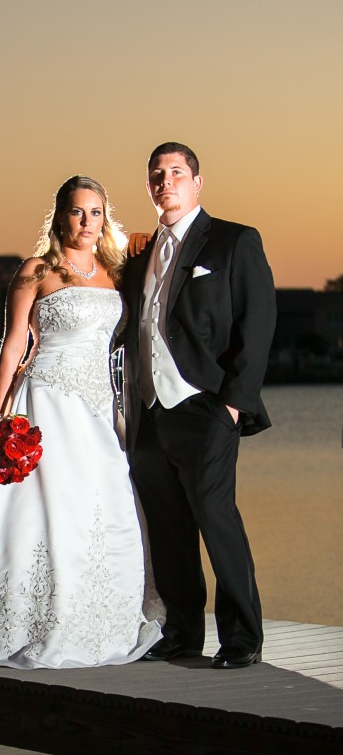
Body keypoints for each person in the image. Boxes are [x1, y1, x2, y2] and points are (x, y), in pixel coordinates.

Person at [0, 175, 164, 668]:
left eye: (95, 212)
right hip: (45, 400)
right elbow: (13, 346)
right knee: (36, 511)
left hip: (97, 408)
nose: (86, 221)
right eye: (76, 211)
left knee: (100, 509)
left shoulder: (115, 272)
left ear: (104, 217)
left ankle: (95, 623)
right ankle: (14, 622)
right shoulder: (37, 270)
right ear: (60, 217)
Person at [120, 142, 276, 669]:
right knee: (167, 526)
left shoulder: (234, 241)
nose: (167, 181)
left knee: (215, 516)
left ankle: (242, 638)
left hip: (206, 407)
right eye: (157, 175)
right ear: (148, 186)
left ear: (198, 182)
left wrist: (234, 404)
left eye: (177, 173)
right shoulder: (139, 255)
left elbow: (258, 327)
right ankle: (181, 633)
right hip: (148, 412)